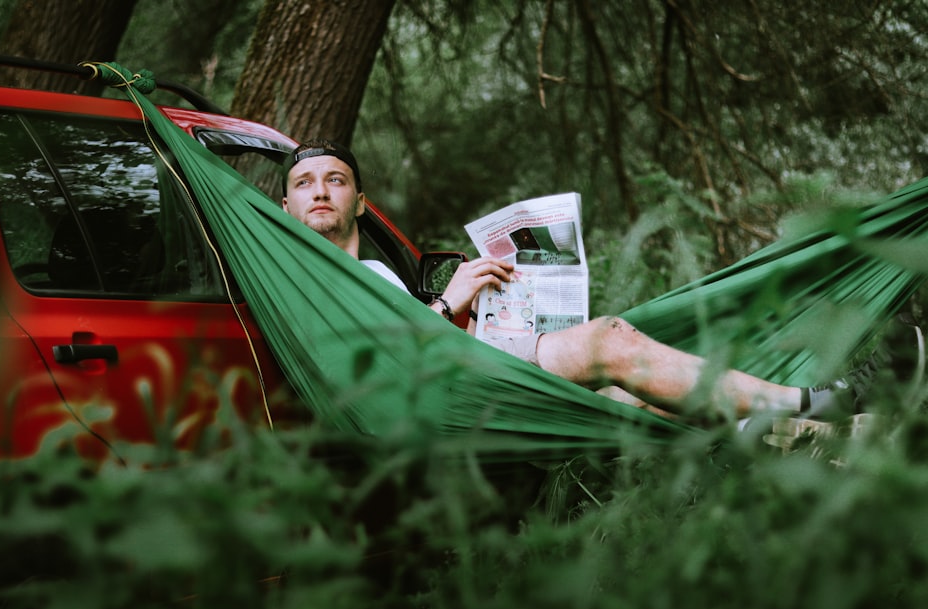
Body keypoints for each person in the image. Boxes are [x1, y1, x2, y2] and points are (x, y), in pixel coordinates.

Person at [281, 138, 896, 420]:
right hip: (439, 400)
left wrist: (489, 305)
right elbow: (378, 369)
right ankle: (833, 404)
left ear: (360, 201)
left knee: (633, 400)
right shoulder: (295, 278)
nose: (320, 192)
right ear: (283, 211)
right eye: (305, 185)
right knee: (608, 341)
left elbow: (419, 339)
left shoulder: (379, 270)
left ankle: (802, 426)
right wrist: (446, 303)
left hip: (469, 369)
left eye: (335, 180)